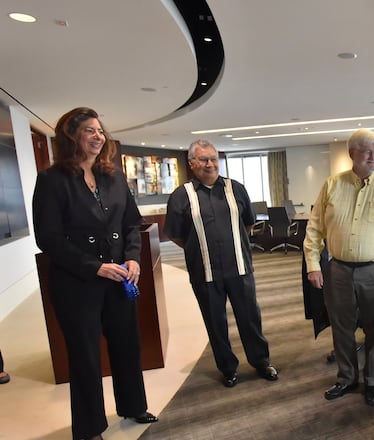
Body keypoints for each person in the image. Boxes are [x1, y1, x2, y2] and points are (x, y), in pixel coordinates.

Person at [32, 107, 158, 440]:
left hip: (119, 277)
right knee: (86, 357)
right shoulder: (51, 180)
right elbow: (49, 238)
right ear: (71, 135)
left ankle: (133, 405)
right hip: (78, 282)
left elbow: (131, 223)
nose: (98, 136)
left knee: (127, 346)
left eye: (100, 130)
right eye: (90, 130)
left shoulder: (113, 175)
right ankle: (90, 428)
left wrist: (133, 259)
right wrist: (94, 266)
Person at [303, 128, 374, 406]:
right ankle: (346, 378)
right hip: (338, 271)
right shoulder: (332, 184)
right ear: (351, 154)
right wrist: (312, 264)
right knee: (341, 328)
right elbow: (315, 228)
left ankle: (373, 381)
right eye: (368, 151)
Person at [164, 139, 278, 388]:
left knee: (250, 318)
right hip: (204, 271)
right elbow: (175, 234)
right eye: (203, 159)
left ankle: (261, 361)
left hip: (239, 268)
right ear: (192, 163)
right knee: (215, 322)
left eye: (213, 159)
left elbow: (248, 224)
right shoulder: (182, 196)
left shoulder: (235, 188)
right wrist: (198, 249)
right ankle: (228, 368)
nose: (210, 164)